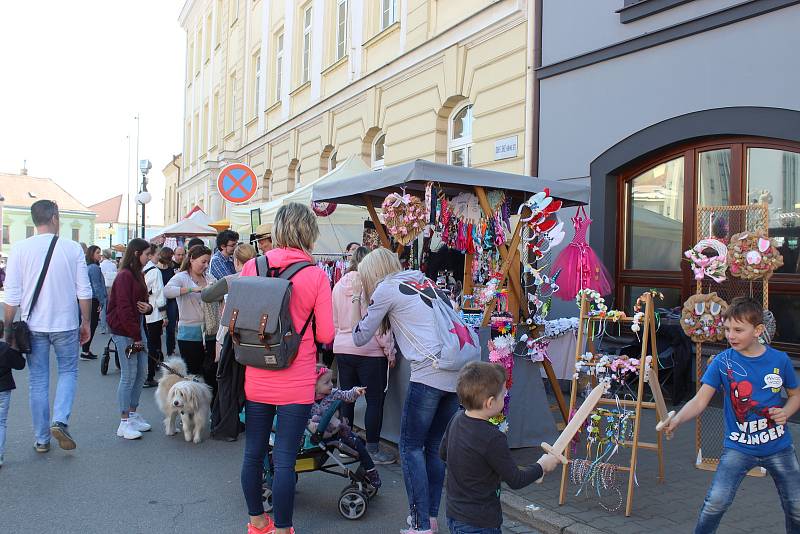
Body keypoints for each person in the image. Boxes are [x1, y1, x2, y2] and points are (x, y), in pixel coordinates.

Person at [663, 297, 800, 533]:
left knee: (796, 506)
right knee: (716, 502)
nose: (731, 335)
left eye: (738, 329)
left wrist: (786, 412)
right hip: (738, 448)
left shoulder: (780, 360)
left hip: (779, 447)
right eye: (727, 329)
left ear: (758, 330)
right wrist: (676, 419)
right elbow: (699, 400)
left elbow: (795, 395)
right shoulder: (721, 362)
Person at [238, 202, 334, 534]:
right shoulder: (316, 276)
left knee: (253, 453)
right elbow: (325, 334)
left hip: (257, 374)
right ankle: (282, 529)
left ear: (278, 230)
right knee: (285, 460)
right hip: (296, 379)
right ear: (310, 232)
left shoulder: (252, 266)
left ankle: (256, 522)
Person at [351, 247, 461, 534]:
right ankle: (431, 518)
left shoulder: (386, 288)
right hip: (456, 369)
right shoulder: (424, 280)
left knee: (410, 447)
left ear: (372, 273)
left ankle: (420, 523)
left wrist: (359, 302)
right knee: (435, 449)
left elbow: (360, 336)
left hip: (429, 372)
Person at [3, 200, 91, 453]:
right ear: (54, 217)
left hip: (33, 325)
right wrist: (85, 321)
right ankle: (60, 420)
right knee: (68, 372)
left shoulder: (19, 249)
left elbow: (12, 295)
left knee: (38, 380)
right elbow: (83, 290)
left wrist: (8, 330)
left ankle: (42, 439)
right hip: (65, 324)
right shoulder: (72, 248)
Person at [440, 362, 560, 534]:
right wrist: (541, 466)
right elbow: (515, 479)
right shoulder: (493, 437)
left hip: (455, 515)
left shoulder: (457, 418)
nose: (505, 397)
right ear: (490, 402)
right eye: (504, 394)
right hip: (480, 522)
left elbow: (443, 453)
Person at [332, 246, 396, 465]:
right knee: (374, 401)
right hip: (370, 351)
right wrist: (389, 350)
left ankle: (345, 444)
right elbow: (378, 326)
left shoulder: (339, 285)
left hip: (342, 348)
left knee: (347, 398)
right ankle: (373, 448)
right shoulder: (372, 286)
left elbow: (335, 320)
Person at [106, 238, 154, 440]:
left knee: (141, 373)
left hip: (136, 326)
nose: (149, 257)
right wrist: (135, 337)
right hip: (124, 330)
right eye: (147, 254)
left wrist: (148, 307)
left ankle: (132, 414)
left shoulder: (137, 274)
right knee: (129, 375)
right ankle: (124, 421)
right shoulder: (125, 276)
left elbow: (143, 302)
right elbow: (124, 308)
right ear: (136, 254)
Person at [310, 365, 381, 488]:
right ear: (314, 386)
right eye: (326, 382)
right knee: (356, 444)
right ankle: (369, 471)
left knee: (358, 444)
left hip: (339, 431)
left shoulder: (333, 394)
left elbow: (346, 395)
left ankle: (370, 470)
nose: (331, 384)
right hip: (319, 436)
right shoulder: (307, 401)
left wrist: (355, 391)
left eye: (331, 381)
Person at [163, 245, 217, 394]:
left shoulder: (209, 277)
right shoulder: (182, 277)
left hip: (210, 331)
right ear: (192, 259)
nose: (206, 266)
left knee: (210, 373)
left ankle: (211, 411)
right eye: (203, 262)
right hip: (189, 333)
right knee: (193, 375)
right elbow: (167, 291)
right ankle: (189, 411)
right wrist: (192, 289)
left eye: (208, 262)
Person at [0, 324, 25, 468]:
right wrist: (16, 348)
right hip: (3, 389)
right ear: (2, 333)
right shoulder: (5, 349)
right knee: (1, 422)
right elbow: (20, 365)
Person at [143, 246, 167, 388]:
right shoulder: (155, 272)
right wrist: (165, 315)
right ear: (151, 255)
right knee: (153, 343)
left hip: (140, 310)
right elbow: (159, 294)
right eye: (157, 254)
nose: (159, 257)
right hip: (153, 312)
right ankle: (150, 375)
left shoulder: (139, 269)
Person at [81, 245, 107, 361]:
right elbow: (97, 286)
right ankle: (85, 350)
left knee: (90, 323)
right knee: (93, 324)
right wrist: (102, 301)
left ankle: (86, 349)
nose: (99, 255)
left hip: (89, 298)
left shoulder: (87, 267)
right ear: (91, 254)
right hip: (94, 299)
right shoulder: (94, 268)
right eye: (97, 252)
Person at [157, 247, 179, 357]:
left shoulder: (172, 268)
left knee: (170, 327)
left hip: (171, 300)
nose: (171, 259)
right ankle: (158, 351)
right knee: (158, 328)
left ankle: (170, 350)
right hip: (159, 301)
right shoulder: (156, 270)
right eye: (169, 257)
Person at [99, 248, 117, 333]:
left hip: (104, 286)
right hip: (112, 287)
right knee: (110, 307)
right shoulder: (113, 265)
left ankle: (103, 328)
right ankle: (111, 326)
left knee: (103, 308)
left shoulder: (101, 265)